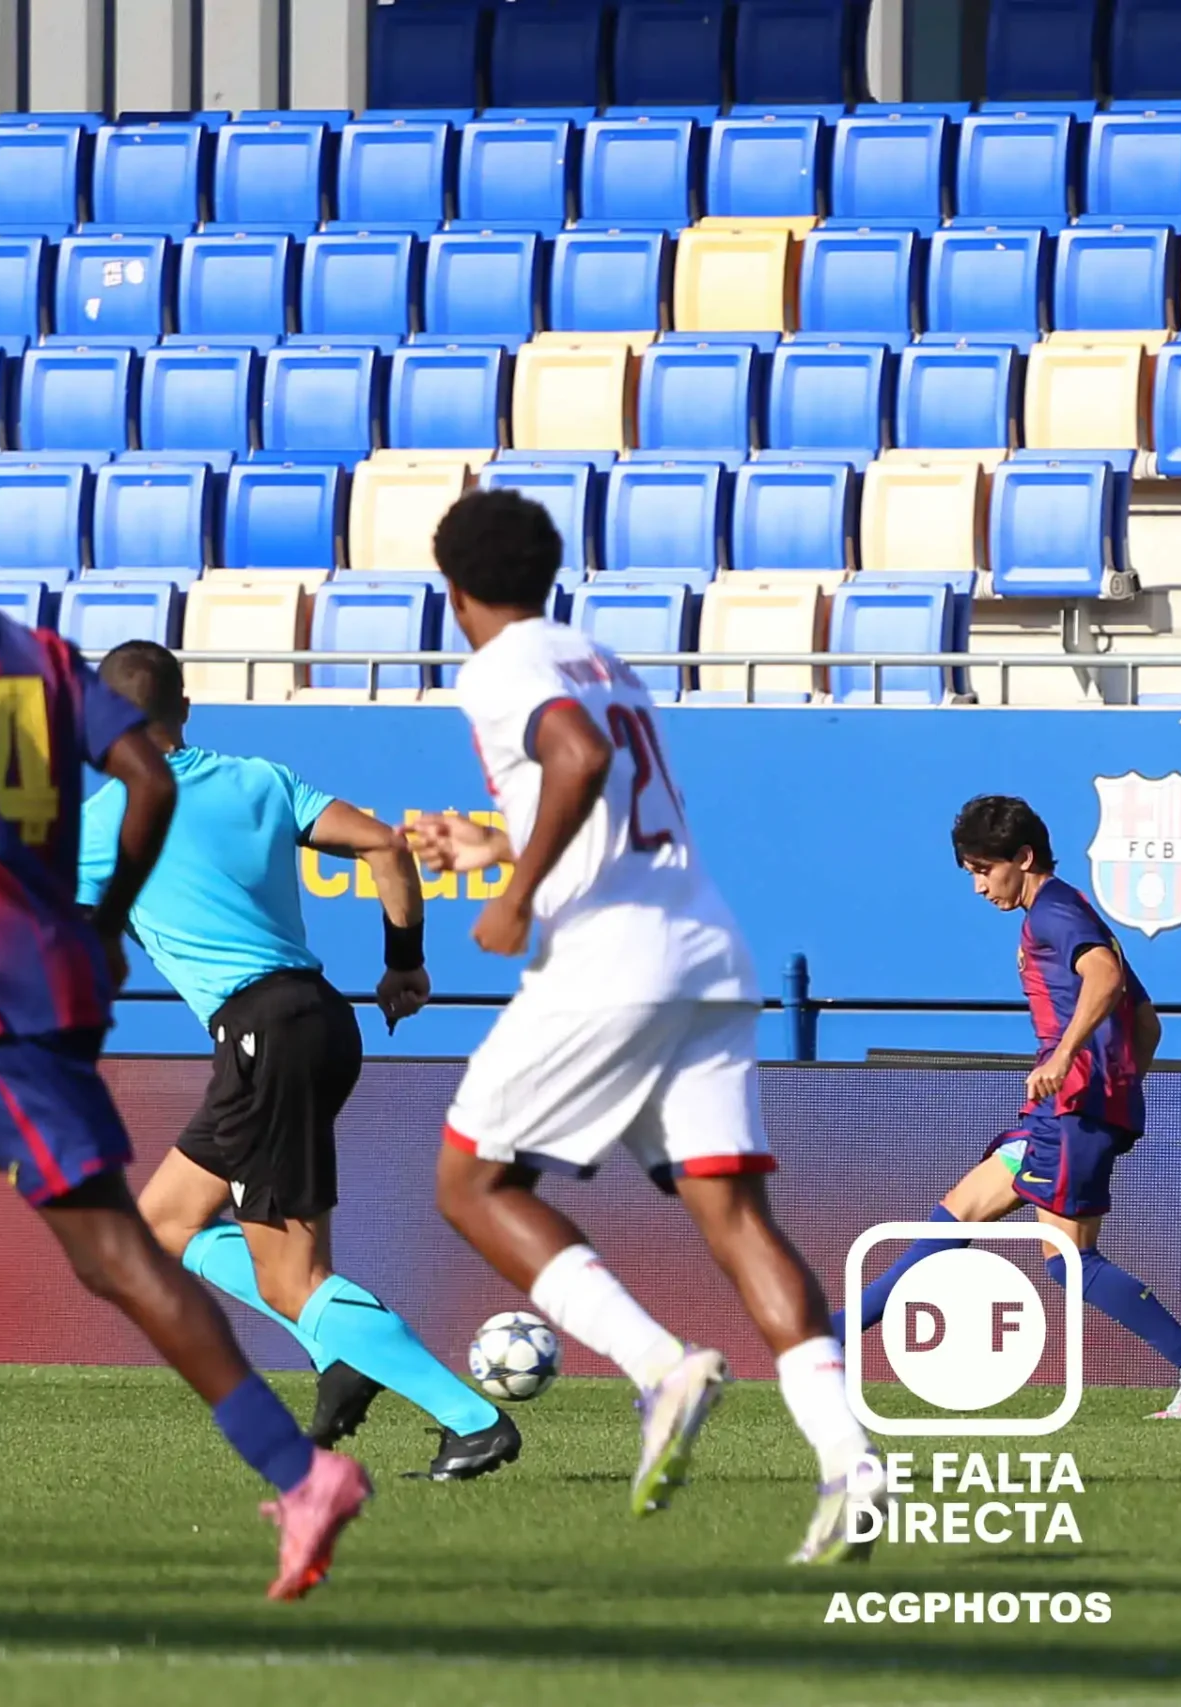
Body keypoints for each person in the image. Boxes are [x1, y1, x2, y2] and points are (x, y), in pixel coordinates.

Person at [0, 441, 368, 1598]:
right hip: (23, 986)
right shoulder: (32, 649)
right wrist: (102, 917)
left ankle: (302, 1473)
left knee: (111, 1248)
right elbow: (148, 779)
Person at [400, 488, 883, 1564]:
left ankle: (661, 1365)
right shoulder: (598, 655)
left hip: (608, 961)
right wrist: (490, 849)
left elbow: (573, 761)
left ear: (456, 593)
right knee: (735, 1216)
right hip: (707, 947)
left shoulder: (502, 666)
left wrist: (514, 895)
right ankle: (850, 1458)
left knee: (471, 1183)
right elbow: (603, 798)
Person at [77, 639, 519, 1482]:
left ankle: (469, 1416)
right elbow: (387, 846)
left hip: (260, 1040)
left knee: (291, 1278)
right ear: (186, 707)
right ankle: (341, 1343)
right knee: (165, 1223)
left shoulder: (108, 821)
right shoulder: (259, 779)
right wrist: (404, 961)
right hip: (320, 1019)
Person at [831, 796, 1181, 1423]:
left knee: (1068, 1265)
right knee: (961, 1212)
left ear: (1022, 858)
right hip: (1071, 1108)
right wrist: (1115, 1086)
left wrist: (1070, 1063)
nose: (977, 886)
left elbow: (1104, 978)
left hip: (1070, 1106)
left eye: (983, 870)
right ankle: (835, 1335)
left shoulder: (1053, 912)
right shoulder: (1061, 911)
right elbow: (1147, 1023)